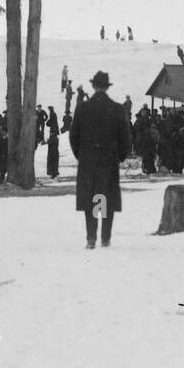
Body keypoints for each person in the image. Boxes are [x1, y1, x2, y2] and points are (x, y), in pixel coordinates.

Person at [68, 71, 130, 249]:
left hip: (88, 161)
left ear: (94, 86)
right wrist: (119, 156)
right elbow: (125, 138)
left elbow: (73, 136)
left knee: (92, 198)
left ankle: (91, 238)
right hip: (109, 161)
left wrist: (82, 155)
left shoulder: (82, 108)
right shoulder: (117, 109)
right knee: (106, 199)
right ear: (106, 87)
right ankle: (105, 237)